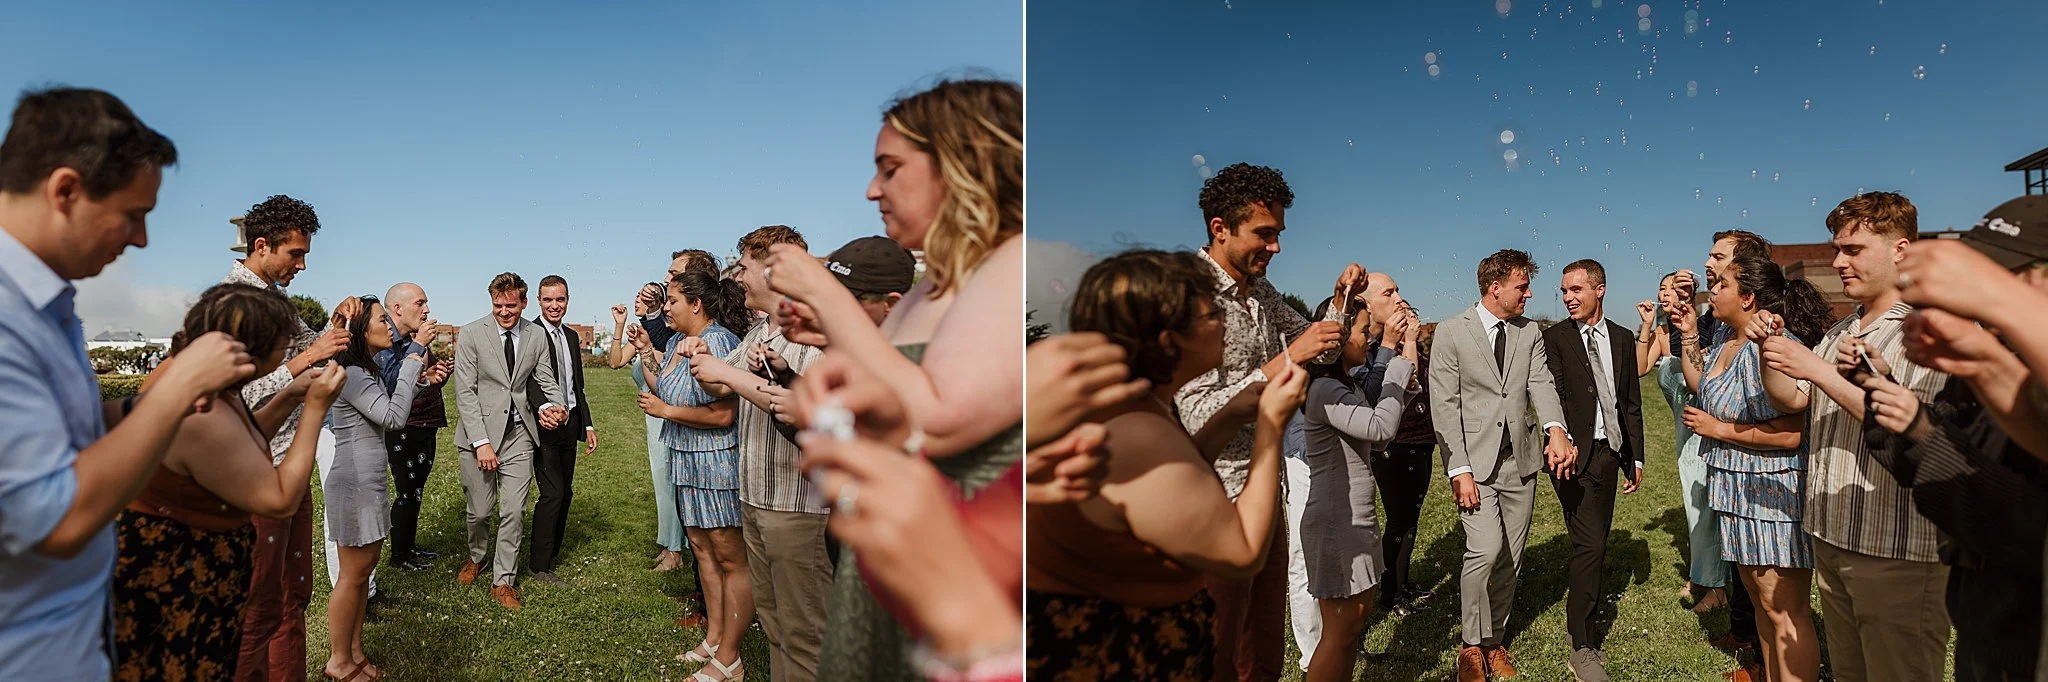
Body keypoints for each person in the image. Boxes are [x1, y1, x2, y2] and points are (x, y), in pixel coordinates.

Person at [760, 79, 1026, 680]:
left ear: (962, 166)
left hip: (962, 566)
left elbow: (939, 421)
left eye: (890, 169)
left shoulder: (1009, 268)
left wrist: (826, 292)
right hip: (888, 548)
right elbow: (899, 393)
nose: (872, 189)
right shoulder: (930, 289)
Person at [1027, 249, 1309, 681]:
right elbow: (1243, 552)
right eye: (1212, 314)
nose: (1226, 320)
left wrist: (1228, 417)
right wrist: (1271, 426)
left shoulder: (1139, 407)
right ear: (1169, 341)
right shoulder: (1140, 432)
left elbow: (1178, 474)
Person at [1135, 161, 1346, 682]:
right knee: (1217, 653)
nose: (1276, 247)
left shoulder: (1260, 292)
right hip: (1209, 504)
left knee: (1262, 652)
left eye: (1279, 233)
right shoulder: (1186, 296)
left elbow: (1320, 346)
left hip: (1262, 492)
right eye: (1265, 234)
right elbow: (1196, 415)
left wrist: (1340, 303)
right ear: (1220, 228)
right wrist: (1289, 357)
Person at [1749, 193, 1953, 682]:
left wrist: (1818, 370)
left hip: (1896, 549)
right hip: (1834, 535)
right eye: (1836, 249)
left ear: (1901, 250)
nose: (1839, 261)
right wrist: (1769, 351)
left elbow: (1921, 432)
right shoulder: (1840, 331)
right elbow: (1791, 399)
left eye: (1854, 250)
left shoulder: (1930, 329)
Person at [1856, 196, 2048, 680]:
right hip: (1985, 623)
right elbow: (1925, 462)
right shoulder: (1994, 352)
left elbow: (2024, 522)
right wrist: (1888, 399)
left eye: (1999, 273)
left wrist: (1924, 430)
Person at [112, 284, 338, 681]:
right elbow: (279, 498)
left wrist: (289, 397)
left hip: (206, 571)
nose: (289, 354)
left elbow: (242, 441)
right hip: (180, 581)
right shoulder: (199, 406)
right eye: (283, 346)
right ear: (254, 347)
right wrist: (315, 409)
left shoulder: (220, 389)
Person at [222, 193, 362, 682]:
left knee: (293, 594)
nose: (302, 265)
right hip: (254, 472)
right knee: (260, 602)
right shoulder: (231, 303)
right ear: (261, 245)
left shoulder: (275, 298)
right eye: (295, 254)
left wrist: (336, 325)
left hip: (290, 463)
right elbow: (231, 396)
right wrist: (305, 361)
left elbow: (310, 345)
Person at [1674, 253, 1833, 682]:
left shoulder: (1776, 347)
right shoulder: (1728, 340)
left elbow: (1790, 434)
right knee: (1763, 605)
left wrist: (1718, 429)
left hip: (1772, 496)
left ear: (1748, 298)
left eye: (1723, 284)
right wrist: (1688, 333)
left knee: (1785, 611)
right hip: (1736, 492)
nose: (1713, 289)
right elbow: (1700, 383)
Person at [688, 225, 833, 682]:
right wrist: (702, 357)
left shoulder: (813, 332)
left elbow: (801, 408)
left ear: (773, 270)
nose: (738, 278)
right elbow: (717, 383)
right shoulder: (757, 332)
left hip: (798, 505)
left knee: (805, 629)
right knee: (773, 622)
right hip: (755, 497)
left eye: (744, 267)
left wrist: (728, 376)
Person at [1427, 248, 1572, 682]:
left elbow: (1541, 383)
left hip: (1520, 464)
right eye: (1522, 286)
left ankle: (1494, 643)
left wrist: (1556, 429)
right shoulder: (1452, 332)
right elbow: (1444, 406)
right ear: (1496, 288)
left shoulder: (1530, 333)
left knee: (1510, 557)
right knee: (1485, 550)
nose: (1529, 294)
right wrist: (1458, 469)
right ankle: (1470, 647)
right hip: (1474, 465)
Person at [636, 269, 751, 681]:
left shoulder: (718, 342)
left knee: (730, 558)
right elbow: (665, 387)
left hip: (716, 464)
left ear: (696, 304)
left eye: (672, 301)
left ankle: (731, 657)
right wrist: (646, 351)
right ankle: (714, 638)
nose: (665, 307)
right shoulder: (675, 344)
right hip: (685, 458)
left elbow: (722, 415)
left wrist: (666, 412)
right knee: (702, 551)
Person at [1300, 293, 1418, 682]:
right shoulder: (1324, 390)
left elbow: (1378, 440)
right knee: (1337, 635)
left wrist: (1402, 391)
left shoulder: (1346, 386)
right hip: (1336, 524)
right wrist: (1397, 369)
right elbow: (1381, 429)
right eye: (1364, 332)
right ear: (1337, 336)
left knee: (1351, 628)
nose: (1369, 340)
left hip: (1355, 519)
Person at [1540, 259, 1647, 681]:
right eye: (1564, 290)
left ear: (1599, 289)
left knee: (1594, 541)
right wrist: (1559, 438)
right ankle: (1581, 644)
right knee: (1591, 546)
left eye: (1576, 289)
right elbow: (1551, 395)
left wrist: (1635, 457)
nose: (1568, 297)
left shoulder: (1621, 338)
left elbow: (1630, 402)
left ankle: (1583, 621)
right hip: (1569, 455)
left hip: (1609, 455)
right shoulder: (1555, 339)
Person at [323, 294, 432, 680]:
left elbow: (385, 407)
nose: (389, 326)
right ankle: (338, 661)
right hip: (354, 484)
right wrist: (414, 357)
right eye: (382, 320)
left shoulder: (364, 371)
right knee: (351, 578)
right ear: (360, 330)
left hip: (366, 482)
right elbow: (393, 418)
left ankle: (354, 653)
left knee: (362, 572)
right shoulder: (353, 373)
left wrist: (416, 383)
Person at [451, 272, 566, 609]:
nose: (504, 312)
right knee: (480, 512)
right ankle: (477, 556)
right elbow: (465, 393)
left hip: (519, 436)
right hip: (479, 436)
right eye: (498, 305)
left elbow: (545, 378)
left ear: (524, 303)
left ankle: (504, 581)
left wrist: (557, 405)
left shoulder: (535, 335)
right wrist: (481, 442)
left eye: (511, 306)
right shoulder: (471, 333)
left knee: (514, 511)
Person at [1639, 271, 1738, 614]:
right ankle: (1703, 575)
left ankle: (1717, 589)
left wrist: (1692, 302)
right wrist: (1646, 326)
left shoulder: (1705, 329)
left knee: (1704, 509)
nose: (1666, 294)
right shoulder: (1662, 333)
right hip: (1684, 437)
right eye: (1661, 288)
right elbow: (1639, 367)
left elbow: (1704, 374)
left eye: (1673, 289)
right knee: (1696, 508)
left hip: (1704, 431)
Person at [1362, 275, 1438, 618]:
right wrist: (1406, 340)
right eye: (1390, 294)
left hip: (1421, 440)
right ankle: (1390, 594)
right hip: (1396, 443)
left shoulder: (1409, 346)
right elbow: (1408, 381)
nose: (1400, 302)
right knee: (1399, 520)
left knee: (1410, 518)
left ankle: (1401, 584)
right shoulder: (1375, 349)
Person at [528, 275, 597, 586]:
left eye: (560, 299)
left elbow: (576, 386)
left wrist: (587, 423)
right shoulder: (529, 334)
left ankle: (551, 554)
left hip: (570, 423)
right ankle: (539, 566)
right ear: (539, 301)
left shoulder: (570, 336)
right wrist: (543, 408)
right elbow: (526, 381)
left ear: (567, 300)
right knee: (552, 493)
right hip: (543, 425)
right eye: (548, 300)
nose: (554, 305)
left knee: (565, 493)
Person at [378, 282, 450, 571]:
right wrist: (419, 344)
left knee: (415, 490)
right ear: (397, 308)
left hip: (425, 423)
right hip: (403, 425)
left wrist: (434, 374)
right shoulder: (385, 340)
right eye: (420, 303)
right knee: (406, 491)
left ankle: (408, 547)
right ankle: (399, 556)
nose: (427, 309)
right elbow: (392, 384)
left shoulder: (413, 339)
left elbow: (418, 379)